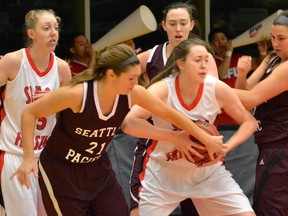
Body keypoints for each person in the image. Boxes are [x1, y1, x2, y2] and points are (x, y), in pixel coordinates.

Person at [11, 43, 224, 216]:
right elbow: (29, 113)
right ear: (111, 75)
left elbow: (169, 113)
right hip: (62, 171)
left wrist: (201, 137)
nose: (135, 83)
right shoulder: (78, 94)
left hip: (97, 168)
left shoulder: (133, 92)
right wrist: (29, 158)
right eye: (131, 78)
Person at [122, 37, 257, 216]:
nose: (204, 65)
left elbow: (249, 122)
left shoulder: (216, 88)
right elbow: (129, 123)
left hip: (207, 172)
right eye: (198, 60)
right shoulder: (163, 88)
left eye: (207, 60)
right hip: (163, 172)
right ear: (181, 63)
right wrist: (174, 137)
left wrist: (224, 148)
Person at [130, 3, 218, 215]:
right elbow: (119, 78)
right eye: (172, 24)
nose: (178, 29)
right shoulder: (151, 55)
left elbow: (214, 99)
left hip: (195, 141)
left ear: (192, 25)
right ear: (164, 26)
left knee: (197, 210)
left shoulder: (204, 58)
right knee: (141, 208)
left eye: (183, 23)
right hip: (158, 141)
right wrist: (138, 94)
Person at [0, 9, 71, 216]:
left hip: (48, 157)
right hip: (16, 154)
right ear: (31, 33)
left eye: (56, 28)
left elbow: (73, 109)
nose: (53, 33)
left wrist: (55, 102)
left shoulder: (62, 68)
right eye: (46, 28)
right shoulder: (13, 62)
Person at [234, 10, 288, 216]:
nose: (275, 43)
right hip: (272, 145)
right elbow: (245, 92)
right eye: (273, 37)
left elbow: (250, 99)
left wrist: (206, 86)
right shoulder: (273, 60)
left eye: (282, 38)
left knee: (270, 209)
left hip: (281, 147)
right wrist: (240, 74)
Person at [207, 27, 267, 204]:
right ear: (210, 44)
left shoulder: (238, 58)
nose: (221, 42)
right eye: (216, 39)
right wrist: (228, 52)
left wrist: (263, 53)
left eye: (224, 37)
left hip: (241, 121)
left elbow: (261, 67)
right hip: (221, 124)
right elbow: (221, 74)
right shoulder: (212, 61)